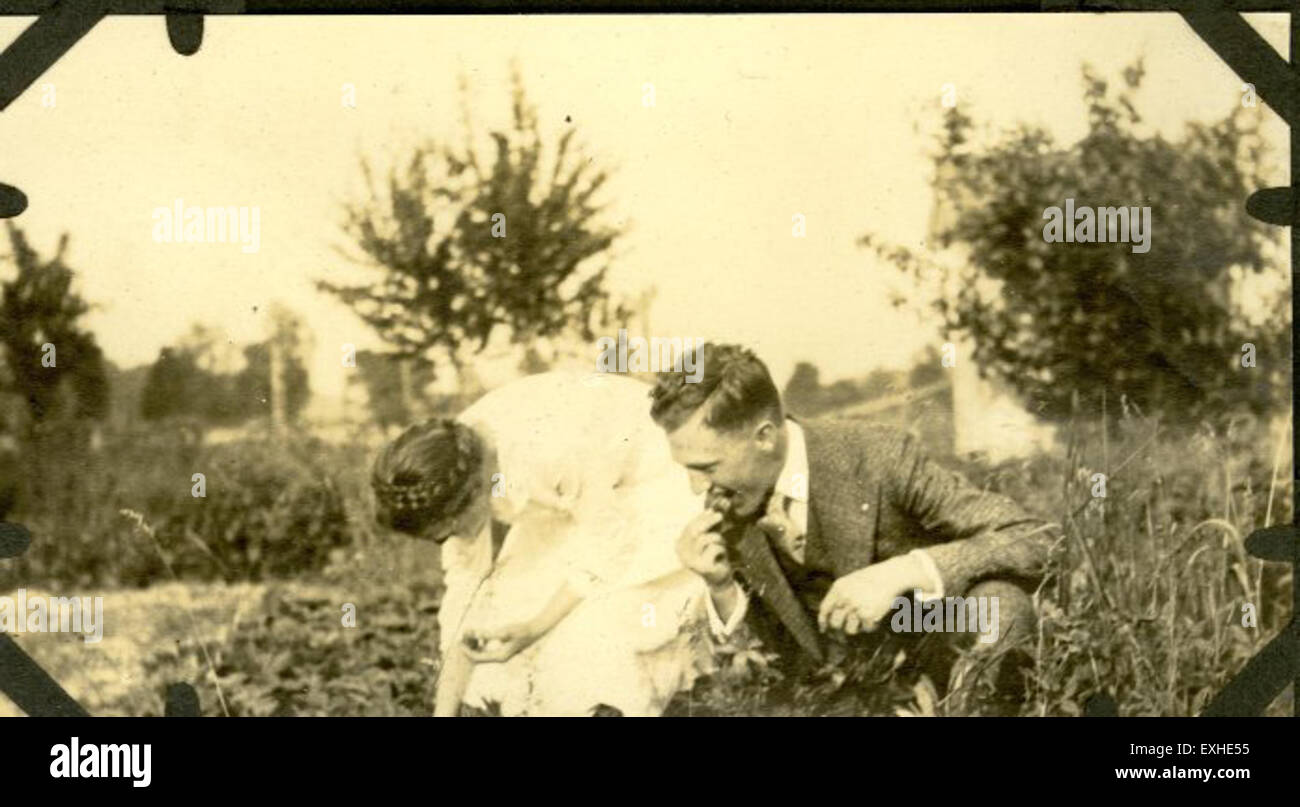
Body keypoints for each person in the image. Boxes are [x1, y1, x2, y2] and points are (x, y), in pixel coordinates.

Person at [650, 343, 1061, 714]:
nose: (697, 487)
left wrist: (901, 572)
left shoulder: (878, 456)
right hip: (833, 697)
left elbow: (1038, 537)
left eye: (706, 467)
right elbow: (765, 662)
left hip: (931, 658)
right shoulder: (730, 512)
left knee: (998, 604)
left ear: (764, 437)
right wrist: (721, 589)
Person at [372, 370, 710, 717]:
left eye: (445, 533)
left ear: (470, 497)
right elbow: (466, 598)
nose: (450, 542)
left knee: (593, 629)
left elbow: (606, 547)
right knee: (508, 605)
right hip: (585, 497)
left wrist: (534, 629)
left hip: (659, 477)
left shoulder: (547, 450)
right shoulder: (449, 461)